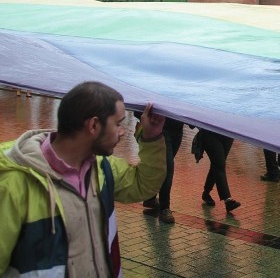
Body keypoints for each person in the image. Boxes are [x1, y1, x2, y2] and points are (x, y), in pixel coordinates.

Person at [0, 81, 166, 276]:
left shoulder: (103, 167)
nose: (123, 131)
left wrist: (152, 136)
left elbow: (143, 185)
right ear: (94, 125)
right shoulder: (13, 183)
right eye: (118, 124)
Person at [138, 115, 184, 224]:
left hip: (177, 129)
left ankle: (150, 198)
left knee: (162, 166)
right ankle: (165, 208)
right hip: (162, 129)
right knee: (168, 168)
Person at [198, 129, 240, 212]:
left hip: (228, 133)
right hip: (210, 134)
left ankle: (206, 193)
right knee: (219, 165)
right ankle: (227, 200)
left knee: (216, 165)